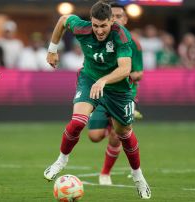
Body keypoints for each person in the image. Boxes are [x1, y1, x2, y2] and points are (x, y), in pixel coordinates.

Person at [43, 1, 151, 199]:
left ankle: (138, 177)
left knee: (123, 134)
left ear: (111, 21)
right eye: (95, 25)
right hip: (90, 79)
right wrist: (52, 49)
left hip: (117, 89)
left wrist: (104, 80)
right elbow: (63, 20)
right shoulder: (82, 28)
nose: (99, 30)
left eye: (103, 26)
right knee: (77, 122)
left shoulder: (121, 35)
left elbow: (125, 69)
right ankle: (61, 160)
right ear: (91, 22)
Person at [86, 2, 145, 186]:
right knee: (94, 136)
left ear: (125, 19)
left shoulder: (132, 42)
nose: (117, 19)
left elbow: (138, 73)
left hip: (122, 93)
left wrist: (121, 73)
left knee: (116, 136)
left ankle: (105, 173)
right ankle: (111, 125)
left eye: (120, 16)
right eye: (115, 16)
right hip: (101, 92)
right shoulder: (99, 36)